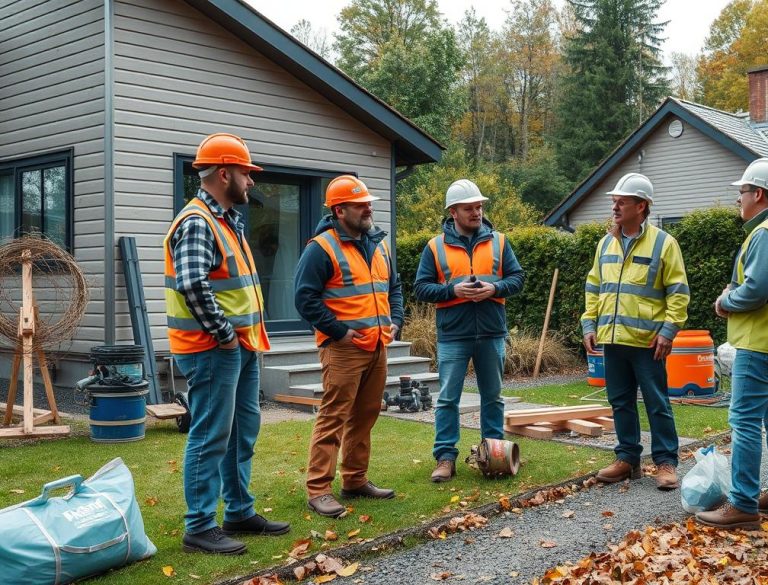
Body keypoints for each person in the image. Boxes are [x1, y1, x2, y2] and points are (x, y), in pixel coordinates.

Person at [165, 133, 290, 555]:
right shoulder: (199, 220)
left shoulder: (225, 219)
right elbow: (191, 283)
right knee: (211, 434)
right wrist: (222, 334)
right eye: (246, 173)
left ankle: (238, 510)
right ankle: (199, 526)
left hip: (240, 347)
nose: (251, 182)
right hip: (213, 349)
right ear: (224, 173)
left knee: (242, 432)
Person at [696, 158, 768, 530]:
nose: (739, 200)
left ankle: (743, 504)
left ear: (758, 194)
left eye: (742, 192)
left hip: (761, 343)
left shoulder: (767, 233)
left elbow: (756, 291)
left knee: (745, 421)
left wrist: (723, 302)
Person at [295, 175, 404, 517]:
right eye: (360, 205)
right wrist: (339, 332)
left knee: (366, 414)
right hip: (343, 349)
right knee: (334, 417)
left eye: (369, 203)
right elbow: (304, 299)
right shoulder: (321, 248)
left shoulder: (378, 244)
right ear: (340, 210)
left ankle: (355, 479)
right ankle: (319, 489)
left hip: (377, 346)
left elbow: (394, 287)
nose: (368, 208)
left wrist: (395, 321)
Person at [580, 172, 689, 491]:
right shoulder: (605, 244)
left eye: (621, 201)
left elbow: (679, 292)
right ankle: (628, 460)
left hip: (648, 343)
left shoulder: (664, 243)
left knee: (657, 402)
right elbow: (593, 286)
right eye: (614, 201)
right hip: (613, 340)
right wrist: (589, 323)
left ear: (641, 206)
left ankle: (666, 462)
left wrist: (668, 331)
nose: (615, 206)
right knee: (620, 401)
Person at [414, 179, 525, 482]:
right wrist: (453, 290)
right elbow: (421, 288)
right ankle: (445, 458)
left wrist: (495, 287)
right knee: (448, 398)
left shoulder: (500, 241)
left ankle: (493, 455)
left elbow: (517, 278)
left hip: (491, 331)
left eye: (479, 206)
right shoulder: (434, 247)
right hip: (454, 334)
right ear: (453, 212)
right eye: (469, 208)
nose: (477, 212)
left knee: (493, 397)